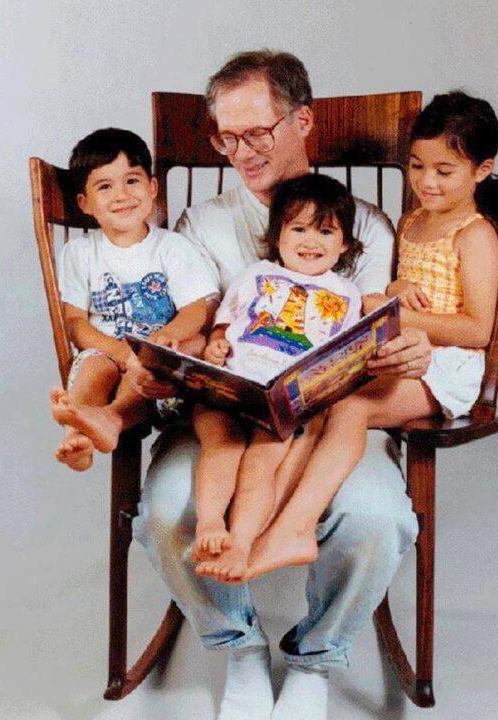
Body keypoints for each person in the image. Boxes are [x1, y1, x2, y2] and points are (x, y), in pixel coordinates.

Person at [131, 50, 432, 720]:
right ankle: (238, 645)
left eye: (258, 133)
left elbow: (381, 327)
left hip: (327, 427)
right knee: (165, 513)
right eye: (227, 137)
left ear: (303, 121)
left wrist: (404, 349)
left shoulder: (367, 231)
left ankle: (317, 658)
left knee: (378, 520)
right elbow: (189, 324)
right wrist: (177, 355)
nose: (241, 152)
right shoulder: (200, 225)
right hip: (221, 424)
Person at [245, 92, 498, 583]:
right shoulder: (412, 221)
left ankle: (294, 526)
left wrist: (397, 311)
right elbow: (403, 287)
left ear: (482, 170)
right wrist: (398, 290)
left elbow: (478, 329)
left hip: (452, 367)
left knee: (348, 405)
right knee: (317, 397)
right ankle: (268, 518)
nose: (427, 182)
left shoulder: (475, 235)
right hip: (404, 352)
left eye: (444, 171)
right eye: (417, 166)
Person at [191, 174, 363, 583]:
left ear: (344, 245)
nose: (310, 241)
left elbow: (342, 357)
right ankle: (210, 523)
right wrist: (215, 344)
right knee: (222, 444)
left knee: (260, 464)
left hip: (285, 402)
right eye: (298, 228)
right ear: (277, 236)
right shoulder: (255, 275)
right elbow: (224, 324)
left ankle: (241, 545)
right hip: (230, 386)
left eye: (325, 231)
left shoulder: (345, 294)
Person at [48, 128, 219, 471]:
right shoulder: (80, 253)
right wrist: (120, 352)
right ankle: (76, 439)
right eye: (105, 186)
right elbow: (75, 322)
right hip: (106, 353)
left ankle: (111, 418)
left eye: (132, 180)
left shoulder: (172, 247)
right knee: (94, 365)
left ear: (152, 188)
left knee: (167, 357)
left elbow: (195, 308)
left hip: (160, 369)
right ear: (84, 203)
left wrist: (160, 341)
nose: (121, 195)